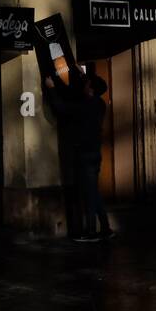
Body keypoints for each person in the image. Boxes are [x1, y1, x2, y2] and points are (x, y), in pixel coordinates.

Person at [44, 72, 114, 242]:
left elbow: (61, 108)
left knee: (89, 195)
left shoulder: (86, 105)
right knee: (93, 192)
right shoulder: (100, 104)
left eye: (87, 84)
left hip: (84, 153)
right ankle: (105, 228)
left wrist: (52, 88)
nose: (84, 85)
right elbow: (90, 89)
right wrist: (82, 74)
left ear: (90, 89)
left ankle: (91, 232)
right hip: (94, 153)